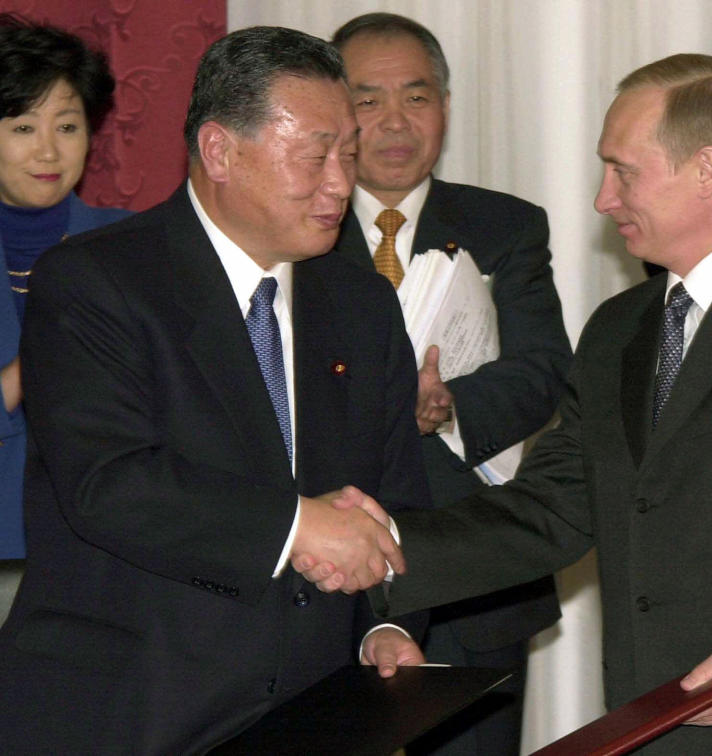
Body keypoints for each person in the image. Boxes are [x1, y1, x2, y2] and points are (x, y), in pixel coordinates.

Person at [327, 54, 712, 753]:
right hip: (647, 726)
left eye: (622, 171)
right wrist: (382, 550)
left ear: (707, 170)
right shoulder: (617, 327)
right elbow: (552, 509)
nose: (603, 199)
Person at [0, 26, 430, 754]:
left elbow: (398, 494)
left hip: (316, 708)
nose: (339, 182)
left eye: (346, 154)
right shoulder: (97, 282)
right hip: (133, 708)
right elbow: (111, 483)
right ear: (220, 152)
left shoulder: (361, 303)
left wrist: (388, 623)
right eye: (314, 155)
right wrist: (297, 524)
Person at [331, 13, 572, 756]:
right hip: (325, 571)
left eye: (417, 96)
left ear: (445, 104)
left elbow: (542, 373)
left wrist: (450, 407)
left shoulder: (504, 225)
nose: (395, 122)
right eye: (368, 101)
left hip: (471, 572)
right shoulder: (299, 226)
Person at [0, 14, 130, 622]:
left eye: (68, 125)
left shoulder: (133, 249)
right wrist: (26, 370)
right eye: (23, 126)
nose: (48, 150)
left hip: (107, 556)